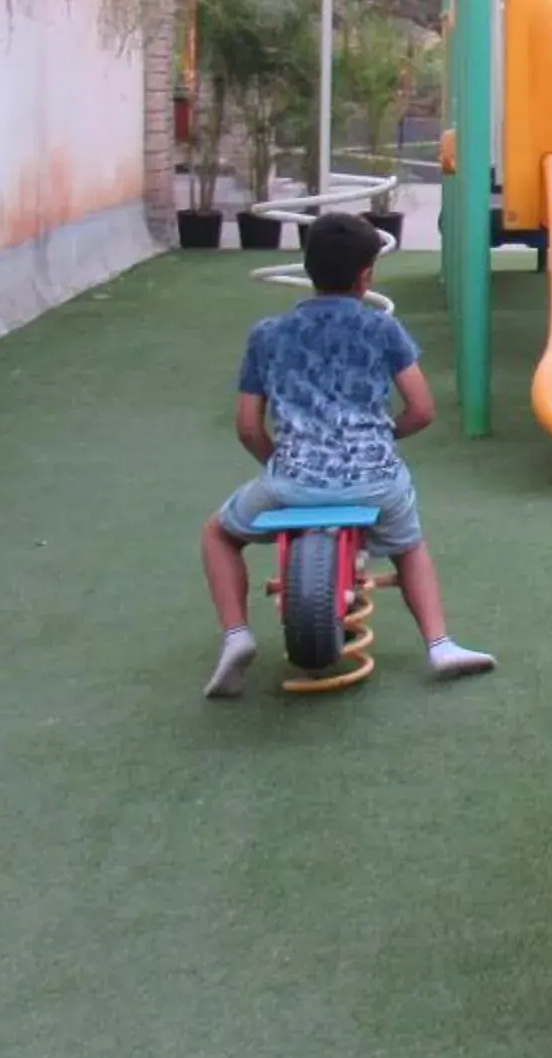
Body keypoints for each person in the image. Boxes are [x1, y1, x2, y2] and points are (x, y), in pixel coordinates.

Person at [198, 210, 495, 698]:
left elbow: (248, 427)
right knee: (408, 546)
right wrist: (376, 439)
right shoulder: (382, 330)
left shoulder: (267, 334)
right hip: (375, 477)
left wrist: (282, 460)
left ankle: (235, 635)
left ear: (307, 267)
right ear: (366, 276)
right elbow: (421, 410)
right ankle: (439, 643)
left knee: (218, 535)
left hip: (293, 478)